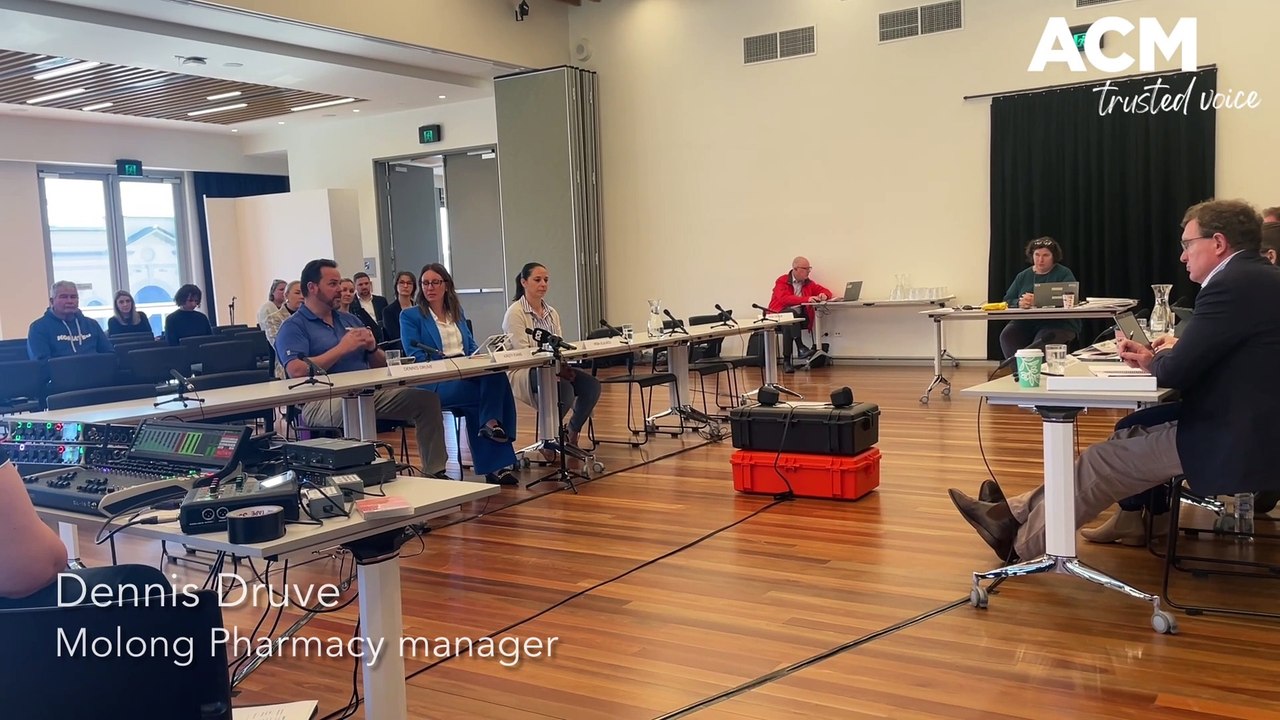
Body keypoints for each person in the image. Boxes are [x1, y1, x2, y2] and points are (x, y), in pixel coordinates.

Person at [949, 199, 1280, 564]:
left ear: (1218, 243)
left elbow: (1174, 373)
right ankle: (1012, 513)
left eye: (1187, 245)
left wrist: (1153, 359)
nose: (1183, 257)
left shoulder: (1231, 284)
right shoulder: (1258, 277)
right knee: (1127, 434)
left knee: (1100, 461)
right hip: (1249, 422)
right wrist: (1172, 352)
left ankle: (1020, 544)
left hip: (1239, 436)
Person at [275, 259, 448, 477]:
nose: (339, 289)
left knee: (426, 401)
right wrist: (342, 348)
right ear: (312, 287)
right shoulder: (293, 327)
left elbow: (380, 363)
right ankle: (364, 472)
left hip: (367, 392)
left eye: (340, 283)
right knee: (355, 404)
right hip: (322, 400)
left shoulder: (349, 319)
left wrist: (372, 348)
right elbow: (297, 371)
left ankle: (435, 472)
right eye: (333, 284)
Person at [401, 263, 520, 485]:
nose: (430, 288)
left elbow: (470, 345)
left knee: (495, 374)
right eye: (425, 283)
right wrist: (448, 365)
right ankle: (494, 455)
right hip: (436, 380)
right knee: (482, 397)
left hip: (464, 372)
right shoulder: (410, 316)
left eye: (435, 282)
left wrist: (476, 358)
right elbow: (414, 354)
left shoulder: (456, 312)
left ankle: (490, 426)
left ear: (446, 285)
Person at [502, 262, 601, 450]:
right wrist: (553, 369)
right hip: (524, 370)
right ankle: (549, 439)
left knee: (591, 386)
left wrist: (561, 367)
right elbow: (522, 352)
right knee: (564, 390)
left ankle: (571, 430)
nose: (543, 284)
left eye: (546, 280)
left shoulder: (552, 312)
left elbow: (558, 344)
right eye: (537, 280)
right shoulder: (514, 313)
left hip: (552, 366)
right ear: (524, 282)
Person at [997, 237, 1081, 360]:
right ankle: (1020, 374)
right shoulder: (1023, 276)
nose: (1040, 260)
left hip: (1057, 323)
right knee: (1007, 336)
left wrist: (1039, 300)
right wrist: (1020, 303)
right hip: (1026, 322)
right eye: (1037, 255)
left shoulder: (1063, 273)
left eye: (1046, 255)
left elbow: (1072, 299)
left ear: (1054, 257)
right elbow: (1007, 300)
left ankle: (1036, 373)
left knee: (1040, 343)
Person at [767, 256, 834, 373]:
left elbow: (826, 291)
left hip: (797, 319)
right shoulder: (781, 281)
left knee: (790, 319)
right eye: (805, 268)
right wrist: (807, 298)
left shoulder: (808, 283)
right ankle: (798, 348)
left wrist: (824, 295)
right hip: (776, 315)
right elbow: (784, 299)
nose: (808, 271)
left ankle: (789, 360)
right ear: (795, 269)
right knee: (789, 317)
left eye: (809, 268)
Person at [27, 280, 114, 360]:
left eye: (73, 297)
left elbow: (109, 355)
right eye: (64, 297)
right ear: (52, 301)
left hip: (96, 374)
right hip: (59, 376)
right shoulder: (38, 328)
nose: (69, 301)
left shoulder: (92, 325)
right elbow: (41, 363)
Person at [382, 271, 417, 344]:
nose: (405, 286)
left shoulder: (419, 308)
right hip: (400, 349)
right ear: (396, 285)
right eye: (402, 282)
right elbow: (394, 336)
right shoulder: (388, 311)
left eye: (409, 283)